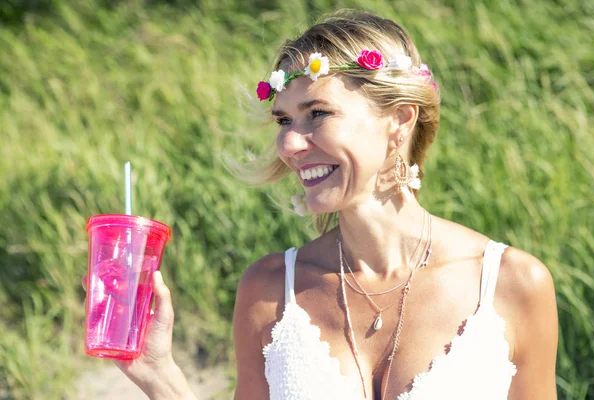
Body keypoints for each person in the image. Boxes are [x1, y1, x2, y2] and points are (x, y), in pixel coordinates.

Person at [84, 10, 558, 400]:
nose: (289, 144)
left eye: (317, 114)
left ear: (399, 120)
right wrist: (157, 373)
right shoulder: (270, 291)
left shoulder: (509, 285)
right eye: (283, 120)